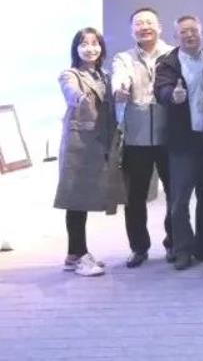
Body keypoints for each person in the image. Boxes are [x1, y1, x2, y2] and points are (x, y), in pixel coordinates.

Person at [55, 27, 125, 277]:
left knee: (83, 200)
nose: (90, 48)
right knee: (75, 200)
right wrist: (77, 98)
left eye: (95, 43)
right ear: (76, 49)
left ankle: (74, 255)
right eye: (84, 44)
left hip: (100, 144)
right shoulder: (70, 74)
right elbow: (70, 91)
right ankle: (78, 255)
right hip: (79, 146)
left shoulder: (104, 76)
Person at [154, 15, 203, 272]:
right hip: (183, 142)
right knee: (179, 201)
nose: (190, 35)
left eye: (194, 30)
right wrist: (173, 95)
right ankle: (182, 249)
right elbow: (161, 90)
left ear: (202, 32)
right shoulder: (168, 64)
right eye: (184, 32)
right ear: (175, 37)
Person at [111, 7, 173, 268]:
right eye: (138, 23)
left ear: (159, 27)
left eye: (149, 22)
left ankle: (174, 243)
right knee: (135, 197)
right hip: (136, 138)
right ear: (131, 30)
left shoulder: (173, 54)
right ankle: (139, 247)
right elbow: (120, 78)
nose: (144, 27)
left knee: (175, 194)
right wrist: (120, 88)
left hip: (169, 137)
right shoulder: (124, 57)